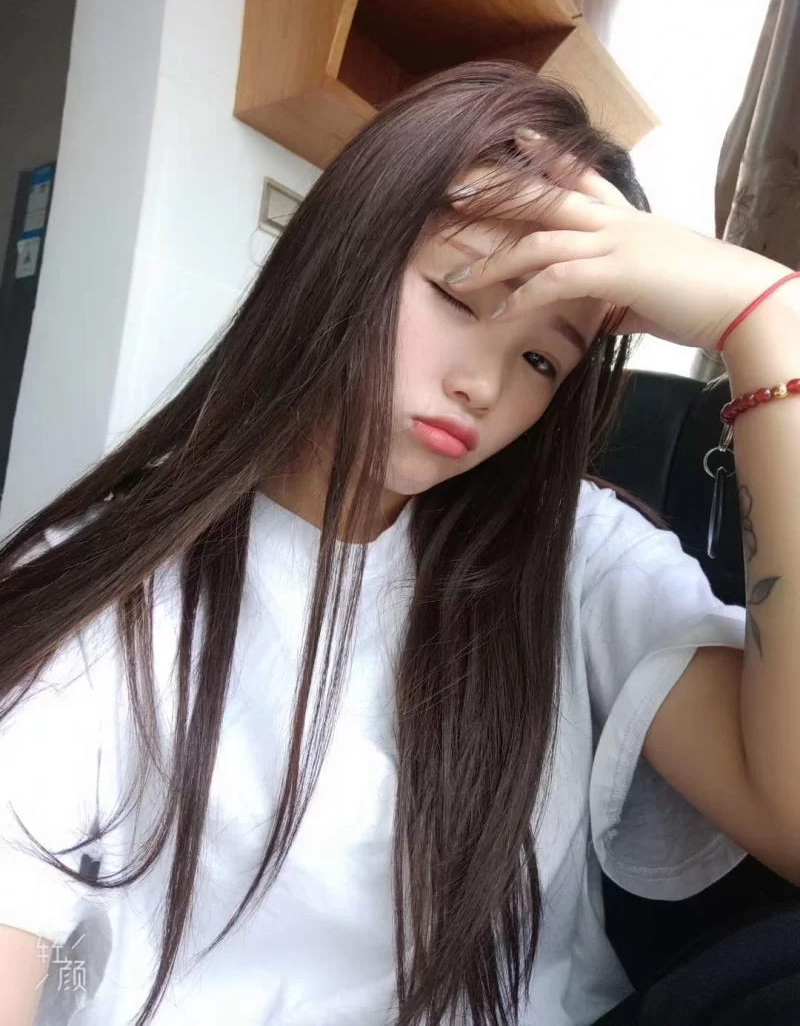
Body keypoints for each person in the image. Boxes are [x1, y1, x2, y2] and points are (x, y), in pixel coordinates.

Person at [0, 59, 798, 1026]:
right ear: (350, 248)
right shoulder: (120, 586)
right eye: (460, 294)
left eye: (541, 356)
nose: (484, 385)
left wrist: (768, 323)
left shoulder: (576, 555)